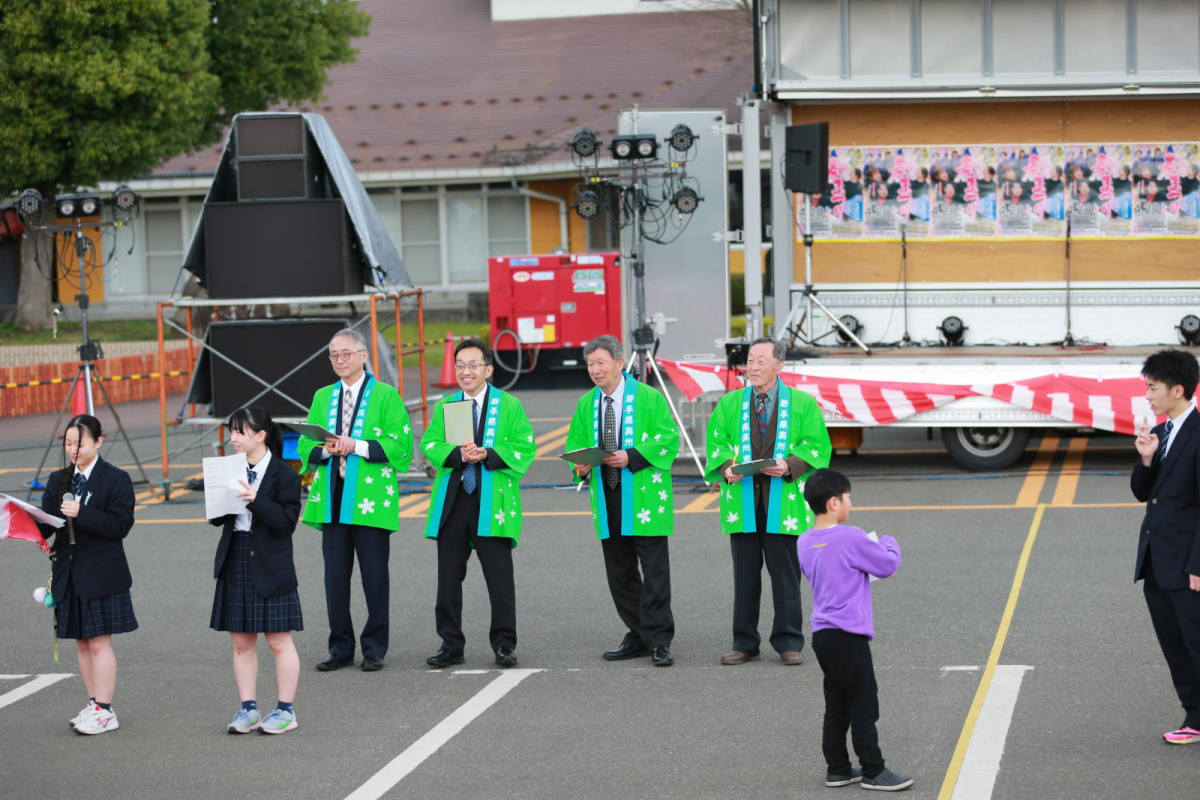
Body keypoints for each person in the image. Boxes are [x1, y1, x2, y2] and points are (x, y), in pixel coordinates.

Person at [704, 337, 831, 666]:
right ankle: (744, 642)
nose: (753, 366)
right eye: (750, 360)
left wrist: (790, 465)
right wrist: (726, 466)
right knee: (744, 577)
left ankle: (789, 642)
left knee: (786, 576)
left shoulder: (802, 403)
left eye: (762, 360)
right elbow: (717, 441)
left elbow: (817, 445)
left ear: (780, 365)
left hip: (784, 502)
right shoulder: (730, 403)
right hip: (743, 501)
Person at [298, 328, 413, 672]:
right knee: (335, 578)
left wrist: (355, 445)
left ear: (364, 355)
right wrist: (326, 448)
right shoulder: (323, 396)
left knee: (374, 577)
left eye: (346, 353)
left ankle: (374, 648)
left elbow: (401, 443)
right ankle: (340, 647)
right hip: (333, 498)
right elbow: (305, 444)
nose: (340, 360)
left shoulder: (386, 395)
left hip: (369, 500)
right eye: (334, 355)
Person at [564, 335, 679, 666]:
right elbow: (575, 444)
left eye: (601, 363)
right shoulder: (586, 403)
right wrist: (581, 465)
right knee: (620, 571)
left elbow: (667, 438)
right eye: (590, 365)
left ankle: (659, 640)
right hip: (607, 493)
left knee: (654, 570)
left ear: (619, 363)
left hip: (643, 494)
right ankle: (639, 633)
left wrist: (631, 455)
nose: (595, 370)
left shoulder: (648, 397)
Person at [421, 339, 535, 668]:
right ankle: (450, 644)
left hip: (492, 500)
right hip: (454, 499)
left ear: (488, 369)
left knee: (499, 579)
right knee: (448, 579)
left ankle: (504, 644)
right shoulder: (448, 405)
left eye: (473, 365)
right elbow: (430, 443)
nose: (465, 371)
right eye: (460, 365)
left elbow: (525, 446)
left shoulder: (508, 405)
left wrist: (488, 454)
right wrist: (458, 454)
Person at [799, 469, 912, 792]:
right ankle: (874, 770)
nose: (851, 503)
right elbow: (886, 565)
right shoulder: (850, 536)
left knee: (837, 704)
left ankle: (837, 768)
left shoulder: (804, 541)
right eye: (848, 497)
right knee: (863, 704)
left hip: (823, 634)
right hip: (848, 634)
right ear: (834, 503)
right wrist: (889, 542)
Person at [37, 414, 136, 735]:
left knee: (99, 643)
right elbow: (48, 521)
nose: (73, 450)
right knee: (82, 643)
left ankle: (105, 710)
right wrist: (29, 525)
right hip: (68, 572)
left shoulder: (116, 478)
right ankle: (94, 704)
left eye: (79, 444)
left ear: (99, 442)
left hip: (102, 572)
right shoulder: (58, 480)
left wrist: (83, 513)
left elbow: (120, 525)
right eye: (68, 444)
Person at [208, 405, 303, 735]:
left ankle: (285, 710)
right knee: (241, 642)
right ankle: (248, 708)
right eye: (232, 431)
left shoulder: (285, 475)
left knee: (279, 641)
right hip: (235, 554)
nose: (233, 438)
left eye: (240, 432)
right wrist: (216, 496)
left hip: (270, 559)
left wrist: (255, 498)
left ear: (261, 435)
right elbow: (217, 518)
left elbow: (286, 524)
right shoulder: (229, 468)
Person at [1131, 348, 1200, 745]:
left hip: (1188, 564)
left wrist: (1198, 564)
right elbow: (1143, 493)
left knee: (1196, 642)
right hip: (1157, 561)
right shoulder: (1160, 433)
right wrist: (1146, 459)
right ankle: (1194, 715)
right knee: (1175, 645)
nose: (1148, 396)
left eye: (1153, 388)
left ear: (1177, 390)